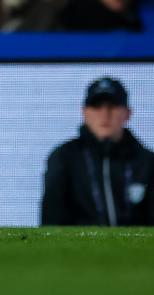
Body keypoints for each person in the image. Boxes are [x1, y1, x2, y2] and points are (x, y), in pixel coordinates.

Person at [41, 78, 154, 226]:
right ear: (84, 113)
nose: (105, 114)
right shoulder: (64, 158)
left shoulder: (147, 162)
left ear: (127, 113)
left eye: (112, 106)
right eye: (97, 106)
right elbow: (52, 221)